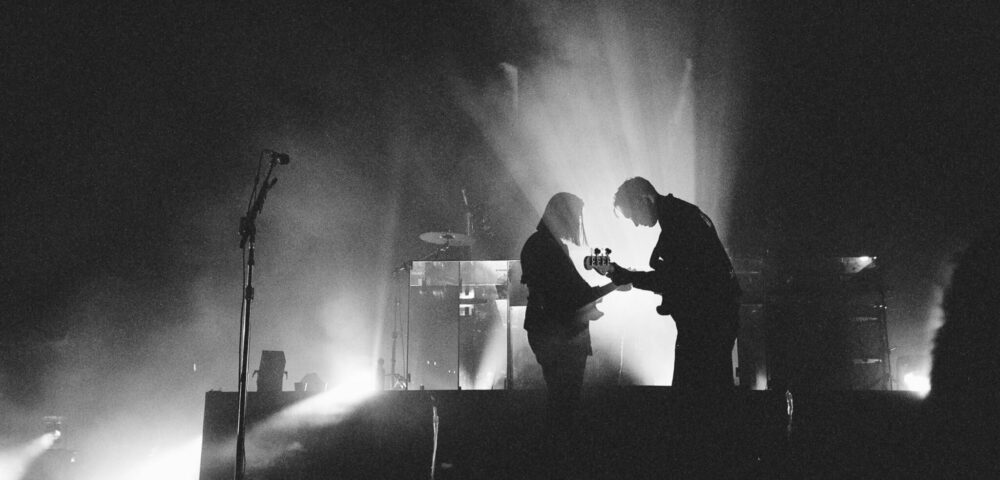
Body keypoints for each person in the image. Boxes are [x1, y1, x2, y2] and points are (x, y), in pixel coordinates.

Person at [607, 177, 741, 389]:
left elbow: (672, 281)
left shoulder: (677, 222)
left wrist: (629, 276)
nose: (636, 223)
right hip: (715, 317)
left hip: (707, 323)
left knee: (695, 394)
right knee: (711, 392)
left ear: (644, 199)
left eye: (633, 215)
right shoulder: (680, 214)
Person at [519, 192, 618, 451]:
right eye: (576, 217)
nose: (578, 224)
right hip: (561, 338)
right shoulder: (549, 248)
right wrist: (615, 283)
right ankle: (560, 455)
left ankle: (556, 454)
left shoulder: (538, 244)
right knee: (565, 403)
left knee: (560, 401)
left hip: (549, 333)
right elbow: (575, 296)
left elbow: (566, 294)